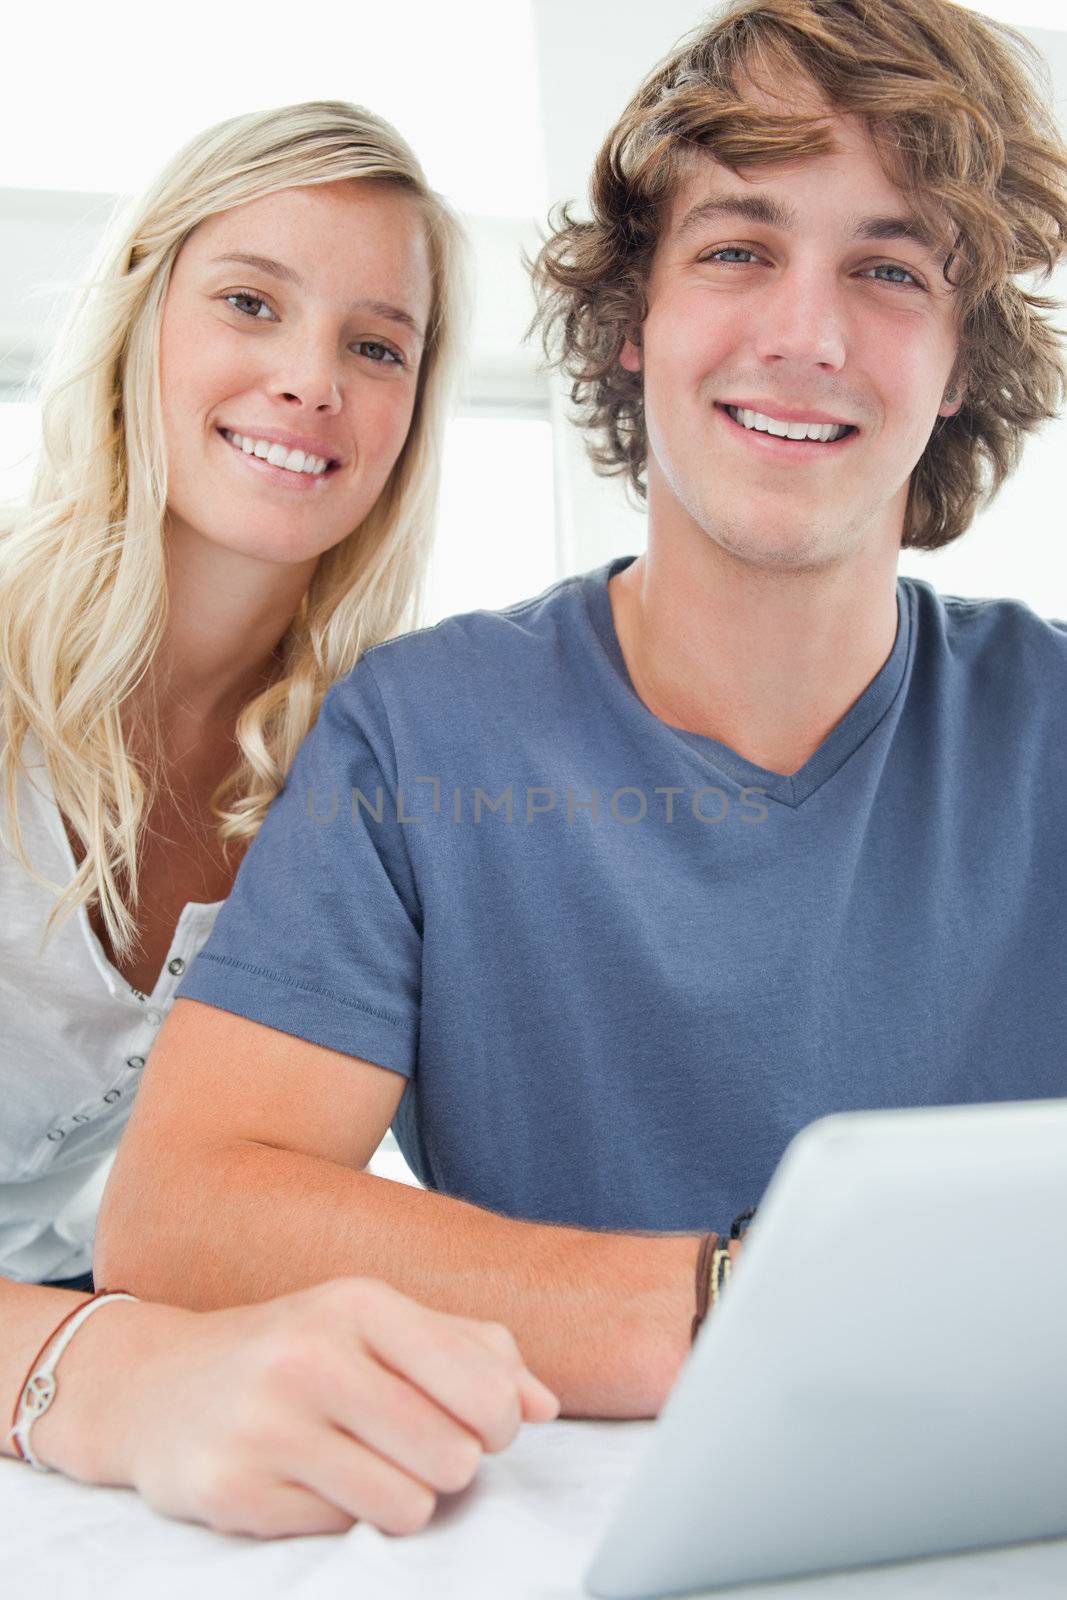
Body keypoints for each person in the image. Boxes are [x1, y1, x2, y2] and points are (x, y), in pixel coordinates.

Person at [97, 0, 1067, 1420]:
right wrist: (748, 1308)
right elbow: (181, 1219)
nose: (807, 333)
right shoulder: (420, 738)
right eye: (739, 250)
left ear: (963, 357)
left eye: (891, 269)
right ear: (631, 321)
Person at [0, 101, 558, 1538]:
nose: (312, 380)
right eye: (252, 301)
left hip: (102, 1436)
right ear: (142, 316)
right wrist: (92, 1374)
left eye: (378, 346)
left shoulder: (381, 765)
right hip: (77, 1388)